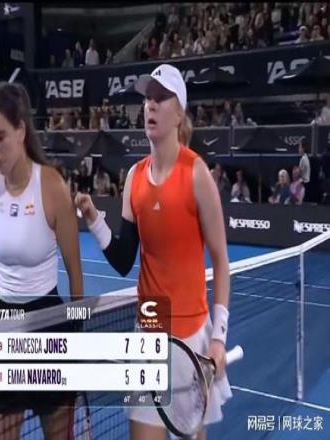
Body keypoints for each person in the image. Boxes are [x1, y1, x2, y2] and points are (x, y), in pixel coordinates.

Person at [75, 64, 231, 440]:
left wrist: (218, 338)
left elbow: (221, 261)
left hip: (192, 336)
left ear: (179, 114)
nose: (151, 105)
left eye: (161, 98)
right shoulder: (133, 179)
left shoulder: (197, 174)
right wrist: (94, 219)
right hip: (148, 331)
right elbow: (123, 259)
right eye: (148, 98)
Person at [0, 82, 83, 440]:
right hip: (4, 323)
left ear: (21, 131)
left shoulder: (52, 186)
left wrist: (76, 328)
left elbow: (75, 270)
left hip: (49, 322)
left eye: (1, 136)